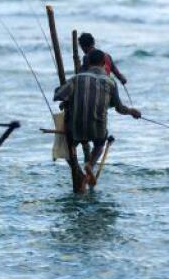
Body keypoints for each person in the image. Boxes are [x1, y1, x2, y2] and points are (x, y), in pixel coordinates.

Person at [54, 49, 140, 187]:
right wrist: (132, 112)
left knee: (67, 145)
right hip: (97, 130)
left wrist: (62, 93)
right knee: (99, 145)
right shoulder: (110, 82)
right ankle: (90, 164)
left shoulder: (76, 78)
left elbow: (58, 95)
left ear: (87, 63)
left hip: (76, 129)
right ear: (103, 63)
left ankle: (77, 171)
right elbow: (119, 108)